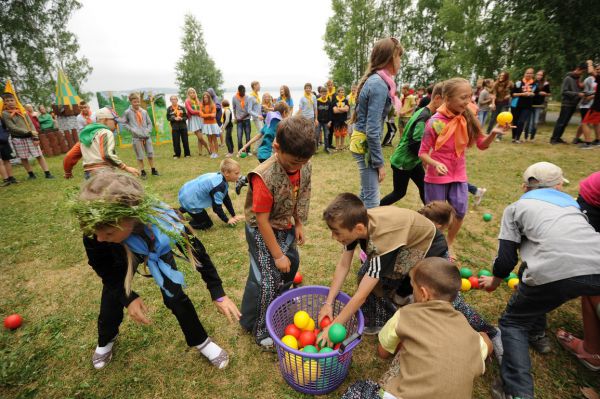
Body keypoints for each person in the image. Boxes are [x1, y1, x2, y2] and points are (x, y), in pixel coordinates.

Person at [70, 172, 240, 370]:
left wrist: (217, 292)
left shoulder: (165, 223)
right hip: (118, 253)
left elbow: (198, 253)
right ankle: (107, 337)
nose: (99, 238)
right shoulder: (96, 232)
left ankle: (201, 340)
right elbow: (104, 269)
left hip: (154, 249)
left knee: (175, 296)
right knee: (112, 295)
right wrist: (128, 298)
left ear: (131, 218)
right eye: (96, 233)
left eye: (107, 232)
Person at [477, 162, 600, 399]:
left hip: (554, 272)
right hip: (596, 268)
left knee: (514, 323)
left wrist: (494, 281)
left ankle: (516, 391)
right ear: (558, 186)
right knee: (532, 283)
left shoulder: (516, 208)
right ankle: (537, 333)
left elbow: (505, 260)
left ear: (525, 186)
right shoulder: (573, 205)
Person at [318, 193, 498, 342]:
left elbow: (361, 295)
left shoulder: (381, 240)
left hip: (428, 245)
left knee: (442, 295)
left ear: (358, 229)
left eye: (336, 232)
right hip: (403, 243)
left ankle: (489, 331)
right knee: (367, 275)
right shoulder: (355, 226)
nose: (334, 237)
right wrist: (328, 303)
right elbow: (343, 265)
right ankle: (381, 321)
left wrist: (335, 326)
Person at [341, 258, 491, 399]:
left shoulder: (405, 315)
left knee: (359, 389)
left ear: (424, 294)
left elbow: (383, 352)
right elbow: (487, 344)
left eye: (413, 287)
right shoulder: (468, 332)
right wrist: (483, 336)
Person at [239, 116, 316, 349]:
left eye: (303, 162)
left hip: (284, 224)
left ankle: (277, 307)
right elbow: (262, 221)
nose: (298, 167)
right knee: (267, 280)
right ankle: (260, 328)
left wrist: (299, 223)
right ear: (276, 147)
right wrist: (277, 255)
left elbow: (301, 193)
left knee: (291, 265)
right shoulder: (264, 177)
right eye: (293, 163)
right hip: (261, 230)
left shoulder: (302, 164)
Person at [418, 78, 502, 251]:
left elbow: (481, 144)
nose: (468, 101)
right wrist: (435, 163)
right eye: (463, 97)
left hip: (458, 174)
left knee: (461, 209)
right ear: (447, 99)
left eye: (470, 97)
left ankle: (449, 242)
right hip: (436, 176)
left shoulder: (468, 118)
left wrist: (493, 133)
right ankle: (434, 245)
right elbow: (423, 153)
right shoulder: (434, 122)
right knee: (435, 216)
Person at [349, 37, 403, 209]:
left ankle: (352, 226)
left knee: (366, 194)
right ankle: (370, 235)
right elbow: (372, 130)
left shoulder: (377, 80)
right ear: (390, 58)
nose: (400, 61)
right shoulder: (379, 84)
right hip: (365, 145)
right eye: (399, 57)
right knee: (372, 200)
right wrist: (379, 164)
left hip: (362, 142)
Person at [380, 82, 443, 206]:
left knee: (424, 187)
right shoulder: (423, 117)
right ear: (437, 98)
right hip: (403, 162)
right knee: (399, 192)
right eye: (446, 102)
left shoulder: (426, 112)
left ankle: (431, 215)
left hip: (413, 161)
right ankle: (375, 209)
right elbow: (414, 145)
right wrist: (427, 159)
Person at [63, 108, 139, 179]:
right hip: (104, 173)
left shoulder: (86, 135)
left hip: (89, 174)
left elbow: (69, 156)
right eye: (115, 122)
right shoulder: (106, 132)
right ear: (105, 120)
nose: (116, 126)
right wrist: (125, 168)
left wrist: (68, 173)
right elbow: (107, 155)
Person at [178, 158, 243, 230]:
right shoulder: (219, 186)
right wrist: (227, 220)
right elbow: (216, 208)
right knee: (207, 224)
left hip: (185, 194)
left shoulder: (220, 177)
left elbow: (226, 198)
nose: (239, 176)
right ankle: (182, 224)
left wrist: (233, 215)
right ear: (227, 173)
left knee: (191, 203)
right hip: (190, 201)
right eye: (236, 173)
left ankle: (181, 210)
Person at [1, 92, 54, 179]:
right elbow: (11, 127)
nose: (10, 102)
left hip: (30, 137)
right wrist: (28, 132)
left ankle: (47, 173)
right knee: (23, 157)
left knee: (39, 155)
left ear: (15, 101)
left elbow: (31, 124)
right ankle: (31, 174)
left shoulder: (23, 111)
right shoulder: (5, 114)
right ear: (5, 103)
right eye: (7, 101)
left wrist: (35, 136)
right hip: (18, 138)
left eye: (12, 100)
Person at [121, 93, 158, 178]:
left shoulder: (144, 112)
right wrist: (132, 130)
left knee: (150, 153)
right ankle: (143, 171)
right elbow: (124, 123)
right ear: (131, 102)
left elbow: (149, 123)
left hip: (146, 137)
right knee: (140, 155)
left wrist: (148, 130)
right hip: (137, 138)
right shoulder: (127, 112)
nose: (137, 103)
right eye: (135, 102)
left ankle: (153, 170)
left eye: (138, 102)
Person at [550, 62, 587, 144]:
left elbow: (577, 91)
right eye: (582, 72)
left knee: (565, 123)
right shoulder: (568, 78)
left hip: (573, 104)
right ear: (578, 69)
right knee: (561, 122)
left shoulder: (577, 79)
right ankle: (553, 139)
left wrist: (582, 91)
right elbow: (564, 91)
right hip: (566, 104)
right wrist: (577, 94)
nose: (582, 74)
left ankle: (558, 138)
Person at [510, 68, 540, 143]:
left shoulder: (535, 84)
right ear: (524, 74)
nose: (528, 75)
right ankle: (513, 137)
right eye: (527, 73)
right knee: (515, 121)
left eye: (530, 73)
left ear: (533, 75)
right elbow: (512, 94)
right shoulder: (518, 83)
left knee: (521, 121)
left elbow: (536, 94)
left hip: (527, 106)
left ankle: (517, 138)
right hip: (516, 105)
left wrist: (532, 94)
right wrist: (522, 94)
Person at [578, 60, 600, 149]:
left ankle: (587, 143)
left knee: (585, 123)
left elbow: (591, 71)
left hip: (597, 106)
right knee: (596, 123)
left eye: (599, 69)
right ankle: (598, 141)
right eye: (597, 69)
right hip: (598, 104)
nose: (597, 71)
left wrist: (590, 63)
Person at [524, 70, 550, 142]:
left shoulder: (545, 84)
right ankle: (526, 137)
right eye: (538, 74)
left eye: (541, 75)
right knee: (528, 121)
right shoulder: (532, 82)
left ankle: (532, 137)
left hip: (538, 105)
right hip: (530, 104)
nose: (539, 76)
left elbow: (548, 93)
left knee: (535, 122)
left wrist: (544, 93)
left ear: (543, 76)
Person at [487, 71, 513, 137]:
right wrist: (493, 104)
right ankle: (488, 133)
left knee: (503, 120)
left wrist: (509, 95)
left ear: (506, 77)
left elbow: (514, 91)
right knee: (493, 118)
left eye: (503, 76)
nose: (501, 77)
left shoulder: (510, 83)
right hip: (497, 103)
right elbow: (493, 94)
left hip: (505, 104)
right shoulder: (496, 83)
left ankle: (499, 136)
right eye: (500, 75)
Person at [185, 88, 210, 156]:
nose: (192, 94)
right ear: (188, 94)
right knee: (200, 137)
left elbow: (201, 108)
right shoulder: (187, 101)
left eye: (193, 92)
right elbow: (191, 111)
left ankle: (200, 152)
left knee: (200, 137)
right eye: (190, 92)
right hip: (193, 120)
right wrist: (199, 112)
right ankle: (208, 148)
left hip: (200, 119)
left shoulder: (197, 100)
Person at [199, 92, 220, 158]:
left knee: (214, 139)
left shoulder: (213, 105)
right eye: (204, 97)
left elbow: (214, 115)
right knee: (209, 140)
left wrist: (206, 115)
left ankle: (216, 153)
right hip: (206, 125)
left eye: (206, 97)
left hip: (213, 124)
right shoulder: (201, 106)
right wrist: (209, 115)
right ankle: (212, 152)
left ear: (209, 98)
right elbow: (201, 115)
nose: (205, 99)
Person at [233, 85, 252, 156]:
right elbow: (234, 108)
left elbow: (249, 111)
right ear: (238, 91)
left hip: (246, 120)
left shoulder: (248, 98)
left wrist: (242, 117)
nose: (243, 93)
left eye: (244, 91)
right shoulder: (234, 98)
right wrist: (235, 117)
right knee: (239, 136)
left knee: (248, 136)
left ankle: (248, 151)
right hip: (239, 121)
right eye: (241, 92)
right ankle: (240, 151)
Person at [247, 81, 264, 148]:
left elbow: (257, 107)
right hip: (256, 118)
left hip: (260, 118)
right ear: (254, 86)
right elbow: (249, 110)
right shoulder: (251, 97)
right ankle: (256, 149)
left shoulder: (257, 96)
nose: (260, 86)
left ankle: (258, 148)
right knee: (262, 133)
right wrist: (258, 115)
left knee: (261, 133)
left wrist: (263, 107)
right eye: (258, 85)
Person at [315, 86, 332, 153]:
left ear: (327, 93)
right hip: (319, 121)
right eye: (322, 93)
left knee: (326, 135)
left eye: (325, 92)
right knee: (317, 134)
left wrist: (330, 121)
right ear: (320, 93)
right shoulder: (317, 101)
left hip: (326, 122)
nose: (324, 94)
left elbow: (330, 112)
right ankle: (315, 148)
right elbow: (315, 111)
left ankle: (326, 148)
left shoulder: (329, 102)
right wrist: (315, 119)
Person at [0, 118, 16, 186]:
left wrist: (6, 135)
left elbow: (5, 127)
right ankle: (5, 180)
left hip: (3, 141)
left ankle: (11, 178)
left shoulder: (0, 118)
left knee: (7, 160)